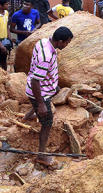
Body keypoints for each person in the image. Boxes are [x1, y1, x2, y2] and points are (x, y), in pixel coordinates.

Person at [24, 26, 74, 168]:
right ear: (59, 41)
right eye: (66, 43)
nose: (67, 45)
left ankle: (28, 115)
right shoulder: (46, 56)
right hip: (39, 92)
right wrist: (40, 104)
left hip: (43, 88)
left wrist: (53, 84)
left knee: (43, 105)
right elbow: (35, 81)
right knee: (47, 123)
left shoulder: (43, 42)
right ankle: (41, 155)